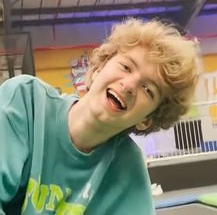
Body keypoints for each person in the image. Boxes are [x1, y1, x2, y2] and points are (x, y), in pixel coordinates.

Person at [0, 18, 199, 215]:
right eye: (126, 67)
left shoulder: (128, 169)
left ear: (146, 120)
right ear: (98, 69)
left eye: (147, 89)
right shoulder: (25, 101)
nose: (129, 86)